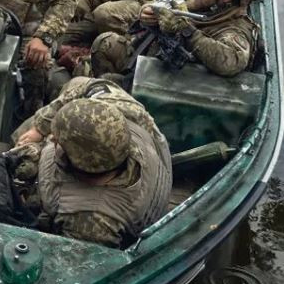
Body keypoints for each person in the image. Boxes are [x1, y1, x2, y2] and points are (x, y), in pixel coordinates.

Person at [9, 77, 172, 247]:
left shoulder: (92, 222)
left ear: (72, 164)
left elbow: (74, 264)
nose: (54, 139)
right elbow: (91, 85)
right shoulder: (115, 118)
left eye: (58, 142)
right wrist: (40, 127)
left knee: (19, 145)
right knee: (75, 81)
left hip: (79, 219)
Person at [90, 0, 261, 78]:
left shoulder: (235, 31)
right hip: (153, 62)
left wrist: (186, 30)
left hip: (172, 82)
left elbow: (229, 61)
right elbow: (170, 2)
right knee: (104, 44)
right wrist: (149, 11)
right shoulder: (207, 6)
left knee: (97, 83)